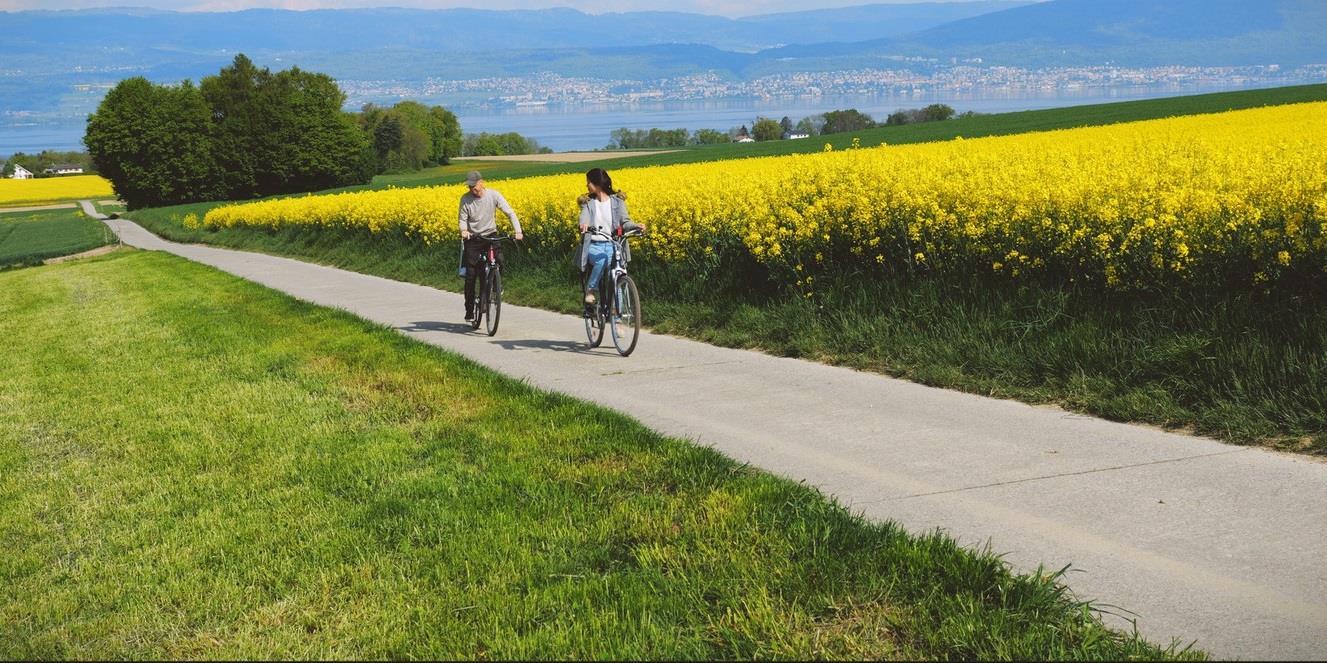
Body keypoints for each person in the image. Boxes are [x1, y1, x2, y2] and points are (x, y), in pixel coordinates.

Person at [459, 170, 523, 321]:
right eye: (469, 187)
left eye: (474, 186)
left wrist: (518, 231)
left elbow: (510, 213)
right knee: (471, 275)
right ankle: (469, 309)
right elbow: (462, 219)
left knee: (499, 260)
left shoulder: (493, 195)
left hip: (491, 235)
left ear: (482, 183)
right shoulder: (465, 199)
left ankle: (495, 285)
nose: (471, 189)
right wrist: (463, 231)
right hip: (473, 238)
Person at [577, 168, 642, 314]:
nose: (587, 186)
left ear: (597, 183)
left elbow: (625, 222)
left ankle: (616, 318)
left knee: (617, 276)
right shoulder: (588, 203)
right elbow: (584, 218)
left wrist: (636, 226)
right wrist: (584, 225)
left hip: (614, 245)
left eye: (588, 182)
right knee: (601, 261)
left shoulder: (617, 202)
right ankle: (591, 291)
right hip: (594, 245)